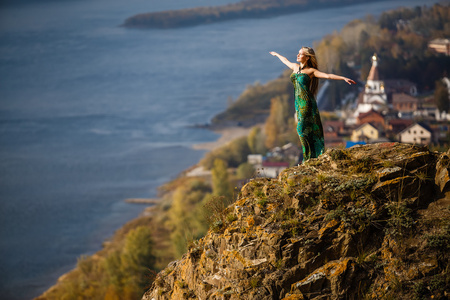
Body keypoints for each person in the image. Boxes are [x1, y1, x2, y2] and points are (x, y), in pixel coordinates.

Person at [270, 47, 356, 163]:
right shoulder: (295, 67)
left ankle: (308, 157)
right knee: (305, 130)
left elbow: (328, 76)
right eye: (298, 53)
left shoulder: (311, 71)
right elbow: (285, 60)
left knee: (301, 129)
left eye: (300, 54)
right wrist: (277, 54)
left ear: (307, 57)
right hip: (298, 104)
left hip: (306, 103)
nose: (298, 55)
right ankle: (310, 158)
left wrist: (343, 78)